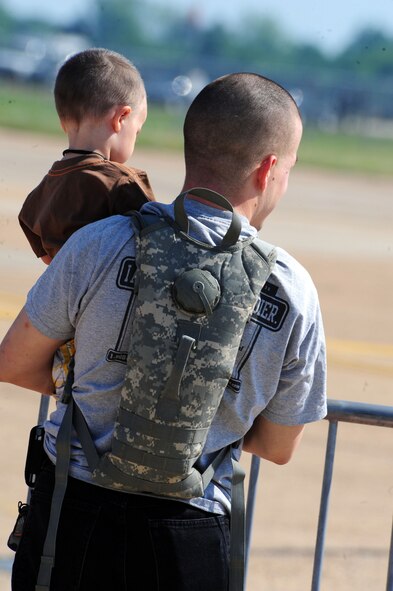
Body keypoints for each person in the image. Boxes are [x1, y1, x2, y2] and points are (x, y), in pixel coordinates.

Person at [0, 73, 327, 591]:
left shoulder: (99, 243)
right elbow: (280, 445)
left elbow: (14, 362)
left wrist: (92, 383)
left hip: (73, 514)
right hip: (189, 533)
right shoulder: (291, 292)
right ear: (268, 170)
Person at [18, 47, 154, 265]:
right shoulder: (121, 184)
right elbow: (157, 245)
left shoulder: (39, 196)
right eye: (137, 130)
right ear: (121, 118)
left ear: (63, 121)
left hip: (61, 298)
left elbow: (48, 262)